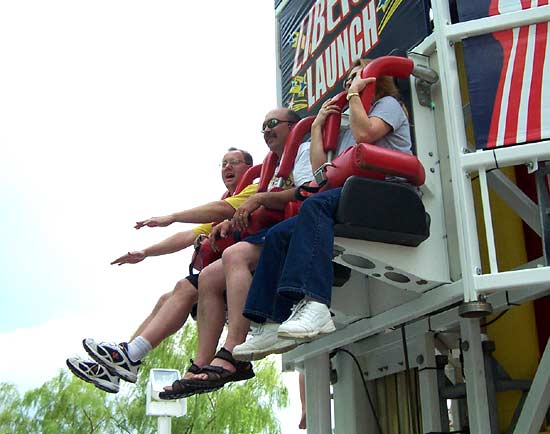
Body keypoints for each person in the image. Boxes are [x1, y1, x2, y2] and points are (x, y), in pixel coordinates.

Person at [231, 57, 413, 361]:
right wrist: (317, 126)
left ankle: (315, 303)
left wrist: (354, 96)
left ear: (373, 80)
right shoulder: (346, 126)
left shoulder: (388, 106)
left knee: (313, 206)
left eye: (357, 77)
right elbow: (321, 172)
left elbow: (367, 134)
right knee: (278, 235)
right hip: (354, 194)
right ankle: (271, 320)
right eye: (347, 82)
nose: (349, 85)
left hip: (390, 193)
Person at [66, 147, 255, 393]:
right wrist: (145, 252)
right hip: (224, 277)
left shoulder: (253, 187)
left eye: (234, 162)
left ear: (248, 167)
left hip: (244, 270)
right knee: (166, 299)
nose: (227, 168)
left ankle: (131, 356)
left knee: (184, 288)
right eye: (223, 163)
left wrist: (172, 216)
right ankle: (121, 361)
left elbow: (221, 209)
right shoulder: (227, 201)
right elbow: (189, 235)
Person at [159, 107, 313, 398]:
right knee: (208, 276)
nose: (267, 131)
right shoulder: (273, 166)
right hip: (267, 233)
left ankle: (234, 351)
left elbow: (306, 192)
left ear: (293, 126)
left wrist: (258, 199)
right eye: (263, 127)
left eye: (273, 124)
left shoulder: (302, 151)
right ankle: (203, 361)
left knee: (234, 256)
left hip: (294, 230)